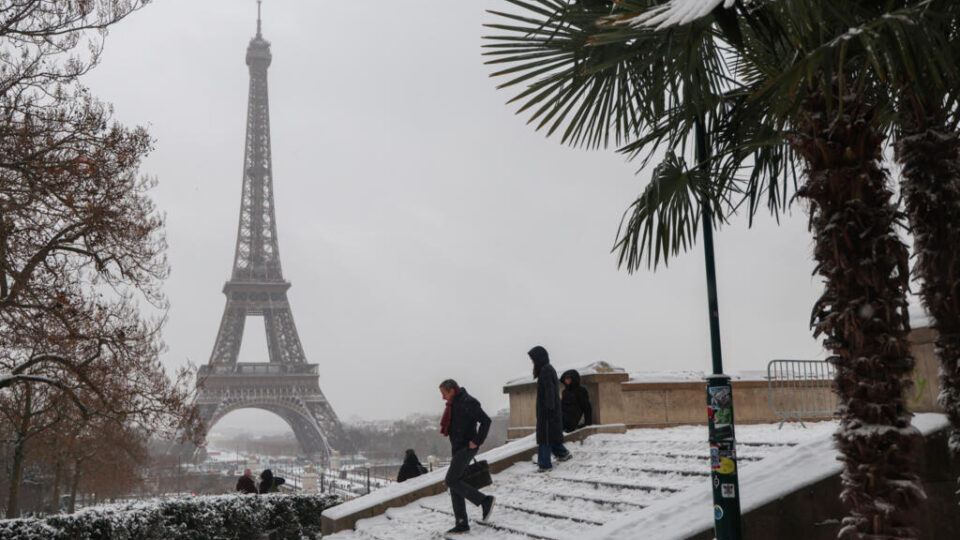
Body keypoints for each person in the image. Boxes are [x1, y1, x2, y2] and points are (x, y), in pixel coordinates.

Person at [439, 379, 495, 534]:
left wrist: (477, 441)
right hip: (457, 448)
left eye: (444, 393)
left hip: (466, 447)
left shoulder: (468, 402)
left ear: (451, 390)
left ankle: (484, 500)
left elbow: (486, 421)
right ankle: (461, 522)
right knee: (455, 482)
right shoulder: (453, 404)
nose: (443, 398)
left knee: (451, 480)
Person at [528, 346, 572, 471]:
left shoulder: (546, 371)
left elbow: (550, 391)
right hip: (549, 411)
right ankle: (563, 454)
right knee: (551, 436)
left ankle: (544, 464)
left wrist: (549, 408)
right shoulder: (546, 370)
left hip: (548, 412)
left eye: (533, 359)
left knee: (545, 438)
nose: (532, 362)